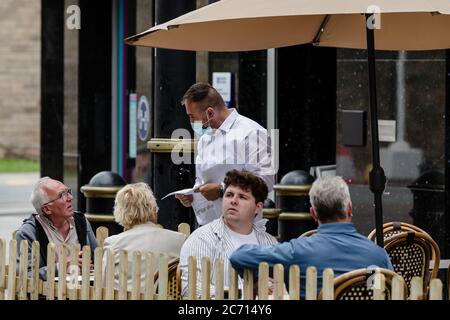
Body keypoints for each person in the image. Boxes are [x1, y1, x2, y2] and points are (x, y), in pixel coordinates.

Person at [230, 176, 394, 298]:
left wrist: (258, 279)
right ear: (350, 209)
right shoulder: (378, 255)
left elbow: (239, 256)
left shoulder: (297, 251)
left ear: (313, 214)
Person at [176, 82, 275, 226]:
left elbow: (265, 182)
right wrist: (192, 196)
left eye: (192, 117)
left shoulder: (251, 132)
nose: (191, 122)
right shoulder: (205, 139)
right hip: (209, 228)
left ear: (209, 112)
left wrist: (222, 189)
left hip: (243, 229)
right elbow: (201, 181)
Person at [179, 170, 278, 298]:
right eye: (229, 195)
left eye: (242, 197)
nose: (233, 201)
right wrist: (247, 291)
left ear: (258, 207)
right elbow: (192, 289)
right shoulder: (201, 238)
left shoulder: (270, 243)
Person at [103, 183, 186, 290]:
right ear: (153, 209)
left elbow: (103, 286)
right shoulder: (180, 240)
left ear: (120, 212)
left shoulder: (113, 244)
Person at [15, 177, 97, 280]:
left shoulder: (81, 221)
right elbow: (26, 276)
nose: (70, 197)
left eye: (68, 192)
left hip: (83, 291)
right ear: (47, 209)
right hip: (47, 294)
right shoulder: (28, 233)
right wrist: (61, 266)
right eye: (62, 195)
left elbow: (98, 259)